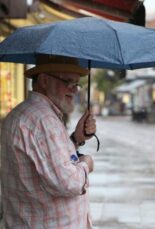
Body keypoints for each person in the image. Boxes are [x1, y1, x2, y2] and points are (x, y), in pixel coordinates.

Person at [1, 54, 96, 228]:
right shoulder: (43, 121)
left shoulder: (24, 113)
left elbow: (45, 161)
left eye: (76, 83)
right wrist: (86, 165)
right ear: (44, 80)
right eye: (68, 81)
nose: (74, 90)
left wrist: (76, 138)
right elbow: (68, 183)